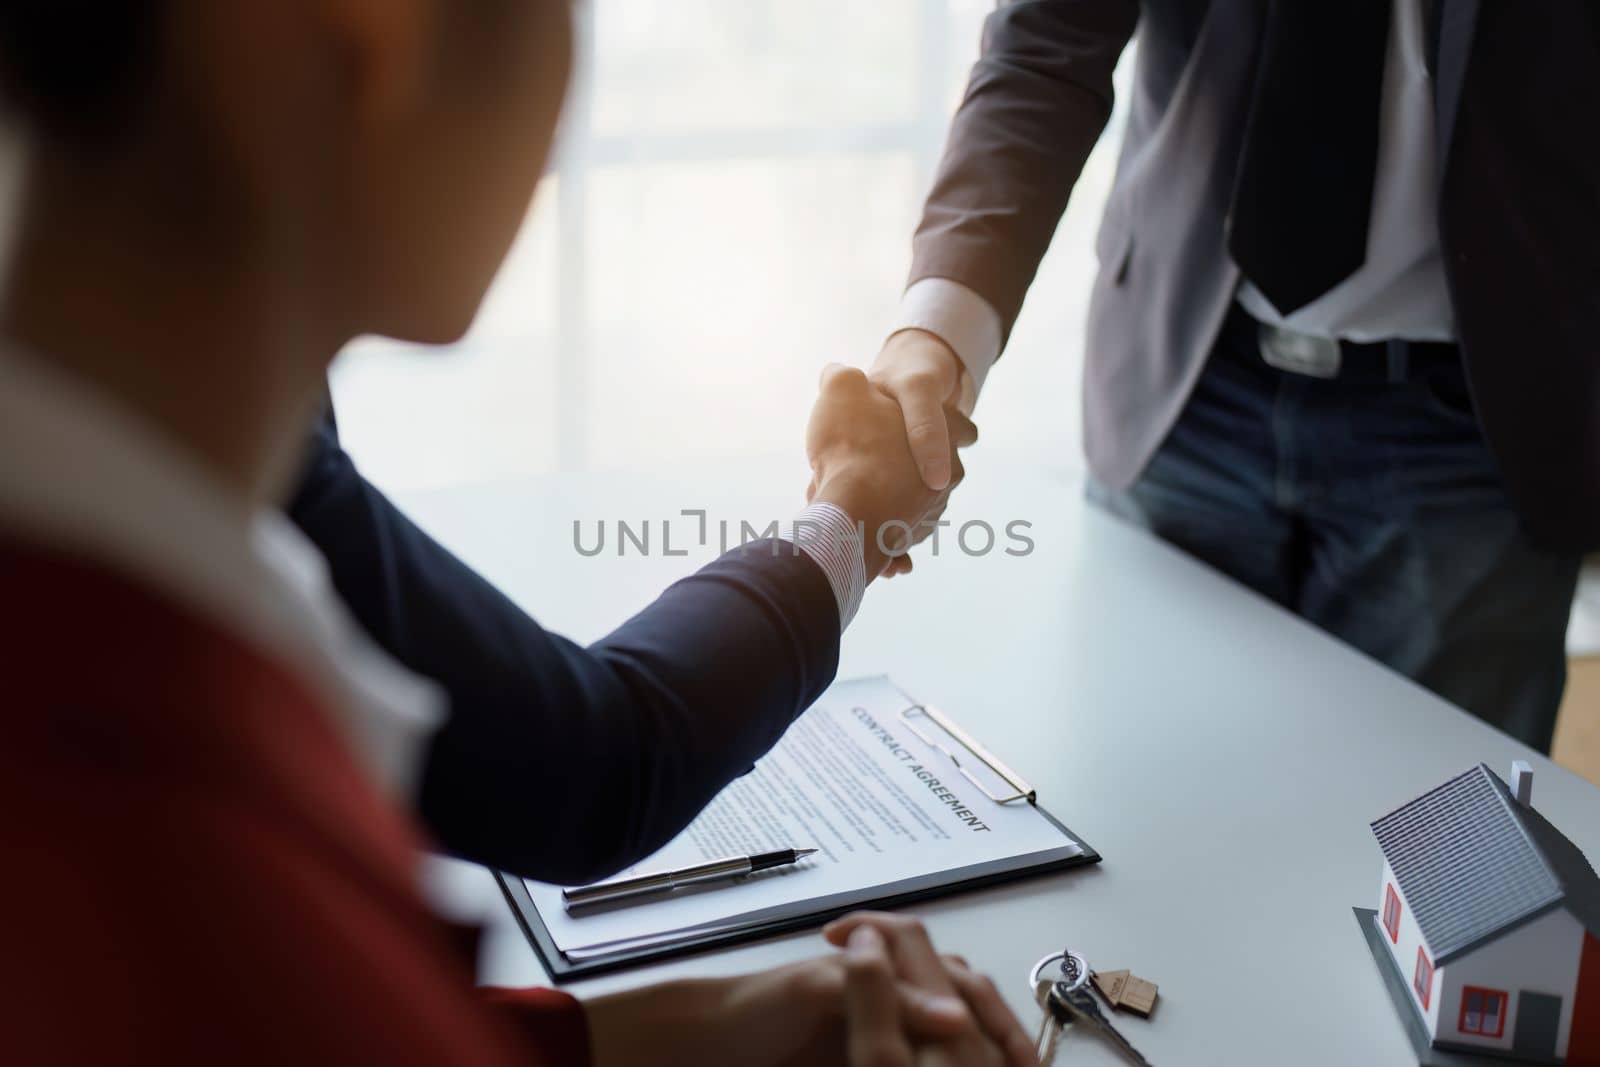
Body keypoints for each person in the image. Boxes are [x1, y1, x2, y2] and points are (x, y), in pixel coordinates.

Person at [0, 2, 1036, 1063]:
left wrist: (692, 1026)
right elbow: (576, 763)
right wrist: (856, 504)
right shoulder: (146, 810)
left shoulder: (136, 518)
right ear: (377, 28)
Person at [861, 0, 1600, 751]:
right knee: (1142, 788)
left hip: (1477, 414)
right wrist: (936, 334)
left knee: (1447, 834)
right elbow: (1041, 55)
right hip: (1186, 382)